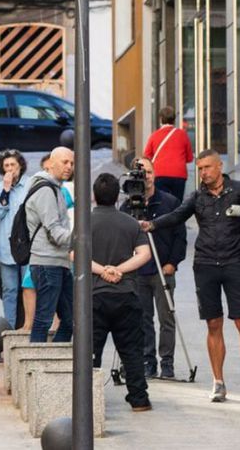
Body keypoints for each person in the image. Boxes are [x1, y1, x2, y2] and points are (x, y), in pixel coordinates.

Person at [143, 150, 240, 403]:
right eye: (200, 169)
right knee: (213, 324)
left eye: (207, 167)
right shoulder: (197, 197)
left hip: (234, 266)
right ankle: (218, 383)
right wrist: (151, 224)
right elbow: (176, 216)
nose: (203, 173)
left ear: (219, 166)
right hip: (205, 265)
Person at [88, 173, 154, 412]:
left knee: (91, 352)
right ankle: (139, 399)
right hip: (126, 294)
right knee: (132, 350)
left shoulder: (85, 222)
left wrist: (103, 271)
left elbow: (76, 256)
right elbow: (145, 254)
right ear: (118, 196)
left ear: (94, 196)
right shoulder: (130, 223)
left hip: (95, 297)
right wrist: (119, 270)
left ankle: (89, 401)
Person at [121, 157, 186, 380]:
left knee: (166, 318)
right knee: (142, 319)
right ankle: (148, 362)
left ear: (154, 174)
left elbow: (181, 236)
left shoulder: (169, 202)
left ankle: (167, 362)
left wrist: (173, 264)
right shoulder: (127, 206)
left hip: (163, 269)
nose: (145, 177)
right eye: (140, 173)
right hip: (138, 271)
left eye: (148, 172)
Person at [25, 147, 75, 343]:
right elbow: (54, 230)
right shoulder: (45, 190)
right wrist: (80, 241)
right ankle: (35, 368)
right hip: (46, 262)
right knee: (43, 320)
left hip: (59, 261)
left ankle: (53, 361)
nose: (69, 167)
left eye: (72, 163)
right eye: (65, 162)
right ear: (50, 164)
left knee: (71, 319)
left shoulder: (55, 188)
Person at [0, 150, 33, 330]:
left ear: (20, 166)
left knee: (29, 288)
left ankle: (30, 326)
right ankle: (10, 327)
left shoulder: (30, 184)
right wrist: (6, 191)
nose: (9, 169)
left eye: (12, 165)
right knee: (9, 290)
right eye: (6, 166)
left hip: (27, 245)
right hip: (6, 247)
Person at [143, 106, 194, 200]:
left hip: (160, 174)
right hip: (179, 174)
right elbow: (190, 158)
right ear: (174, 119)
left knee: (161, 203)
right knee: (177, 204)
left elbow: (146, 156)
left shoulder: (154, 135)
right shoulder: (182, 134)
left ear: (160, 119)